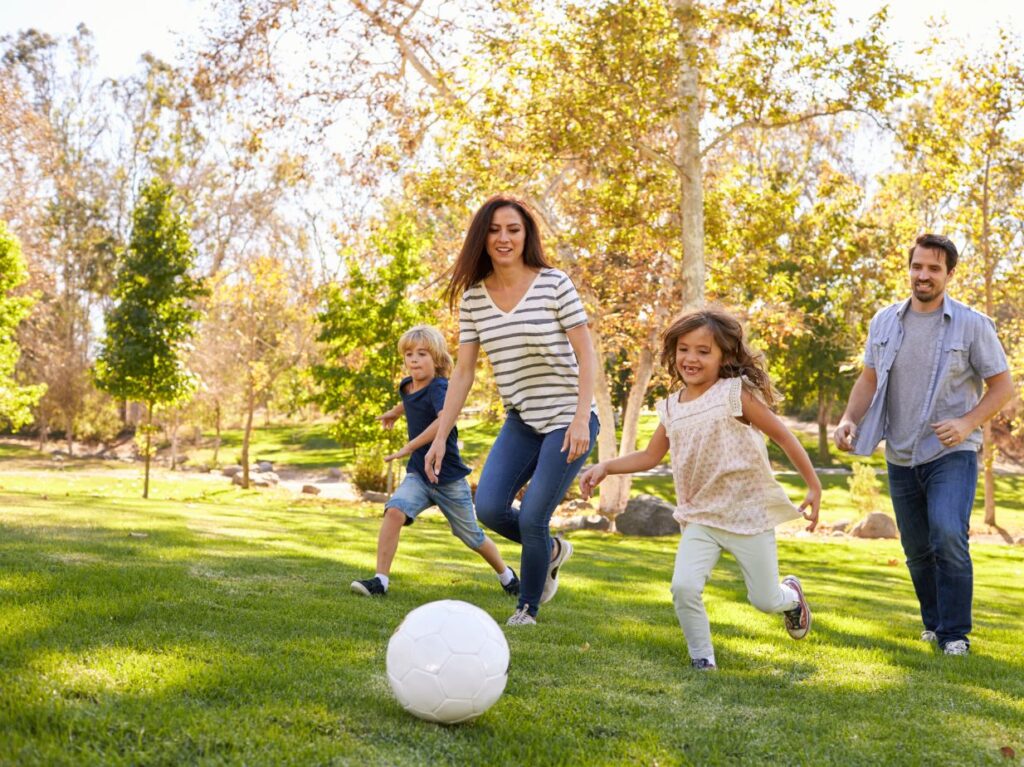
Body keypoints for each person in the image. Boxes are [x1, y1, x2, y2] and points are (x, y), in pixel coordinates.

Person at [579, 308, 821, 670]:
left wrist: (814, 485)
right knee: (684, 587)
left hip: (746, 513)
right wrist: (606, 466)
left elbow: (783, 436)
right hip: (700, 516)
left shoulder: (734, 394)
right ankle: (702, 659)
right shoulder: (671, 409)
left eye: (703, 351)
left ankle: (791, 598)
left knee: (765, 600)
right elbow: (649, 455)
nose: (691, 358)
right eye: (684, 349)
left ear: (724, 355)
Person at [423, 195, 600, 626]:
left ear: (526, 236)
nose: (504, 238)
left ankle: (527, 608)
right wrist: (441, 436)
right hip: (522, 420)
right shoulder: (474, 300)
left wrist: (581, 418)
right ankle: (553, 551)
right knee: (488, 507)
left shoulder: (555, 284)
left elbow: (588, 355)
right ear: (482, 238)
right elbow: (463, 373)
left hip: (567, 419)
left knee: (536, 515)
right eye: (495, 230)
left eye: (513, 230)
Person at [834, 234, 1013, 656]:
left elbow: (1002, 386)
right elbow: (869, 379)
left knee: (948, 534)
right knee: (915, 547)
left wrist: (968, 421)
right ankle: (933, 624)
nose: (923, 275)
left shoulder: (972, 324)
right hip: (900, 451)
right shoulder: (885, 321)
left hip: (952, 452)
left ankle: (955, 634)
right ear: (909, 268)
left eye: (934, 268)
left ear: (950, 274)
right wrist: (848, 419)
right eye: (917, 266)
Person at [350, 325, 519, 598]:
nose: (414, 359)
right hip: (419, 474)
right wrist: (394, 413)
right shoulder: (407, 385)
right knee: (394, 511)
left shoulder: (441, 387)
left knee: (471, 537)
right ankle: (380, 581)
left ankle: (507, 576)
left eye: (422, 354)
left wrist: (410, 446)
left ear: (437, 360)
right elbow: (410, 400)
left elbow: (445, 419)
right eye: (409, 354)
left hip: (448, 478)